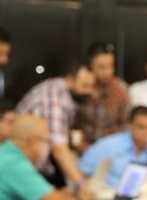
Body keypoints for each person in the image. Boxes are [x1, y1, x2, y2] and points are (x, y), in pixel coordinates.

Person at [15, 60, 96, 192]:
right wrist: (82, 183)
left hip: (40, 162)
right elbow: (59, 148)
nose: (89, 92)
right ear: (70, 80)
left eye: (92, 86)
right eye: (85, 86)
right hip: (24, 166)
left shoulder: (65, 95)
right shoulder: (54, 97)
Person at [78, 106, 147, 188]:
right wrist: (83, 186)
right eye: (141, 127)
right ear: (130, 126)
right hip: (108, 197)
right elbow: (80, 171)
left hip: (144, 198)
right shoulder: (109, 145)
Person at [74, 42, 130, 147]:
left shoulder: (120, 89)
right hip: (82, 150)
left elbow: (126, 125)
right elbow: (72, 122)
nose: (108, 72)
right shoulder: (81, 88)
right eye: (102, 67)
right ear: (89, 67)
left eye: (111, 66)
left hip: (111, 150)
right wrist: (78, 144)